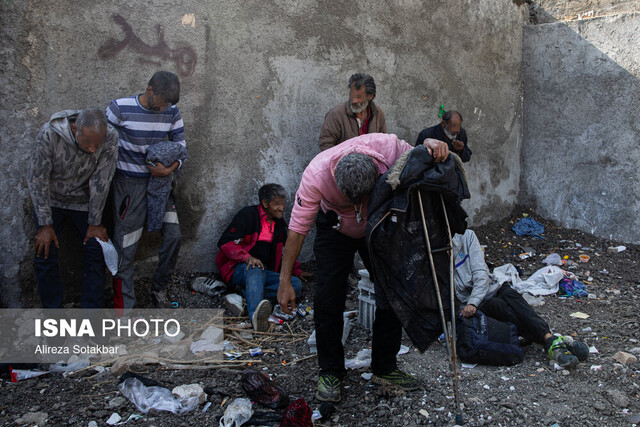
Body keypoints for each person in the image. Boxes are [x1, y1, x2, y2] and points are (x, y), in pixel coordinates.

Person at [278, 133, 450, 402]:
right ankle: (331, 371)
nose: (357, 207)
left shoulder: (389, 149)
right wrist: (284, 280)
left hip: (378, 224)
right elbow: (297, 231)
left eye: (362, 199)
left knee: (392, 289)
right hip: (334, 229)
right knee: (328, 297)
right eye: (351, 201)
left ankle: (385, 367)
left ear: (379, 172)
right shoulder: (316, 175)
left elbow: (418, 154)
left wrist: (430, 144)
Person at [106, 71, 188, 308]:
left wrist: (169, 169)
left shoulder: (172, 111)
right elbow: (102, 152)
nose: (164, 110)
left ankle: (159, 289)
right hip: (129, 187)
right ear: (149, 90)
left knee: (174, 237)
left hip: (160, 185)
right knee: (126, 247)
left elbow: (181, 148)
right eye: (161, 104)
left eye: (168, 106)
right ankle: (125, 310)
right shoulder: (119, 109)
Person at [452, 229, 589, 368]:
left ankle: (550, 340)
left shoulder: (466, 236)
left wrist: (473, 301)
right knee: (497, 305)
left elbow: (481, 273)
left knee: (511, 296)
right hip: (477, 305)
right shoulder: (434, 258)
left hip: (489, 290)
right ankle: (555, 340)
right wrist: (471, 305)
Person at [27, 109, 118, 308]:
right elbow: (37, 178)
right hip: (51, 201)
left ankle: (92, 322)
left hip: (84, 202)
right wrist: (45, 224)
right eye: (87, 142)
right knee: (44, 250)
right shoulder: (50, 134)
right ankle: (54, 320)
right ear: (75, 128)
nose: (93, 149)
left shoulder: (110, 137)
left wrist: (95, 222)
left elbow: (101, 180)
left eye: (97, 143)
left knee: (96, 248)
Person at [216, 184, 311, 331]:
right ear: (265, 203)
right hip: (240, 269)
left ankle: (244, 295)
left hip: (264, 272)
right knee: (255, 268)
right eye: (276, 204)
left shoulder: (279, 224)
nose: (282, 208)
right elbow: (226, 243)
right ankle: (256, 318)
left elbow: (286, 250)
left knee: (295, 284)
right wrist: (247, 258)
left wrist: (296, 270)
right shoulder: (248, 216)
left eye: (282, 203)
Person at [318, 73, 387, 151]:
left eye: (359, 97)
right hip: (343, 161)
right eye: (352, 94)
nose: (354, 100)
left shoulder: (377, 113)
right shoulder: (335, 114)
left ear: (370, 96)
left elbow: (383, 144)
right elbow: (325, 144)